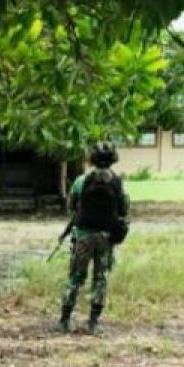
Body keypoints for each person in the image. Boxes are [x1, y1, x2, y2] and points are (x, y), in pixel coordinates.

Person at [58, 141, 130, 334]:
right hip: (105, 238)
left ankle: (65, 319)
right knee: (100, 279)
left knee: (75, 277)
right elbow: (124, 209)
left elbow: (71, 206)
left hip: (83, 236)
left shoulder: (82, 181)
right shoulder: (117, 182)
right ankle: (93, 322)